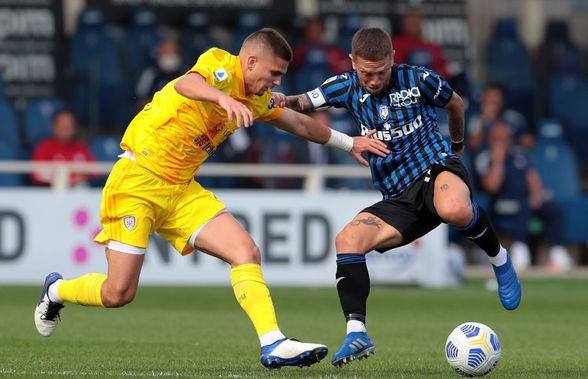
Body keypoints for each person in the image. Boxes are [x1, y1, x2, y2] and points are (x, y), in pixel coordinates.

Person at [34, 28, 389, 369]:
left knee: (245, 252)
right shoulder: (219, 64)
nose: (278, 82)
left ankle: (273, 342)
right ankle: (57, 290)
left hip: (182, 189)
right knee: (118, 294)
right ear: (250, 62)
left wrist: (348, 142)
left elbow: (298, 124)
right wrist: (222, 97)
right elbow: (185, 84)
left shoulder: (257, 97)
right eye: (274, 73)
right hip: (138, 181)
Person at [273, 27, 521, 367]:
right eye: (366, 73)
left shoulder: (419, 80)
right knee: (347, 239)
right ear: (352, 63)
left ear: (392, 59)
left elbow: (456, 104)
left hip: (436, 169)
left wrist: (458, 147)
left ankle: (499, 259)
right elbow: (304, 102)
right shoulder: (344, 86)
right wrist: (282, 100)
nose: (373, 80)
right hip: (399, 196)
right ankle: (356, 333)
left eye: (380, 72)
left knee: (453, 209)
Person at [473, 121, 573, 271]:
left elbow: (532, 176)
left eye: (505, 138)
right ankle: (520, 251)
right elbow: (492, 187)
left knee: (555, 208)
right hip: (501, 202)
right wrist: (498, 161)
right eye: (498, 139)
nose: (502, 142)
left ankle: (558, 252)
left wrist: (537, 194)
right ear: (491, 139)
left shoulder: (519, 155)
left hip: (526, 199)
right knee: (523, 206)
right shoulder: (484, 158)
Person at [31, 110, 96, 186]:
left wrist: (80, 177)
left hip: (79, 192)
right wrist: (65, 180)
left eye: (69, 124)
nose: (66, 128)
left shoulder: (82, 148)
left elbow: (94, 173)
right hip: (50, 192)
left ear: (75, 127)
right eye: (62, 125)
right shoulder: (44, 147)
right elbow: (37, 175)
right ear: (54, 127)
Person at [135, 39, 184, 110]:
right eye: (165, 52)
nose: (169, 56)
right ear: (158, 55)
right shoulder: (150, 74)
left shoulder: (187, 73)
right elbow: (141, 101)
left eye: (173, 52)